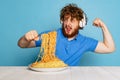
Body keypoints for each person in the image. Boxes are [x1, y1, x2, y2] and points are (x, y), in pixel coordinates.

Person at [18, 4, 115, 66]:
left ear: (80, 24)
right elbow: (22, 45)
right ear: (62, 20)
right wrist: (26, 38)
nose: (68, 23)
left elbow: (109, 48)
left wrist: (103, 26)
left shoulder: (84, 42)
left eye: (72, 20)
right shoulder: (50, 36)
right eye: (66, 19)